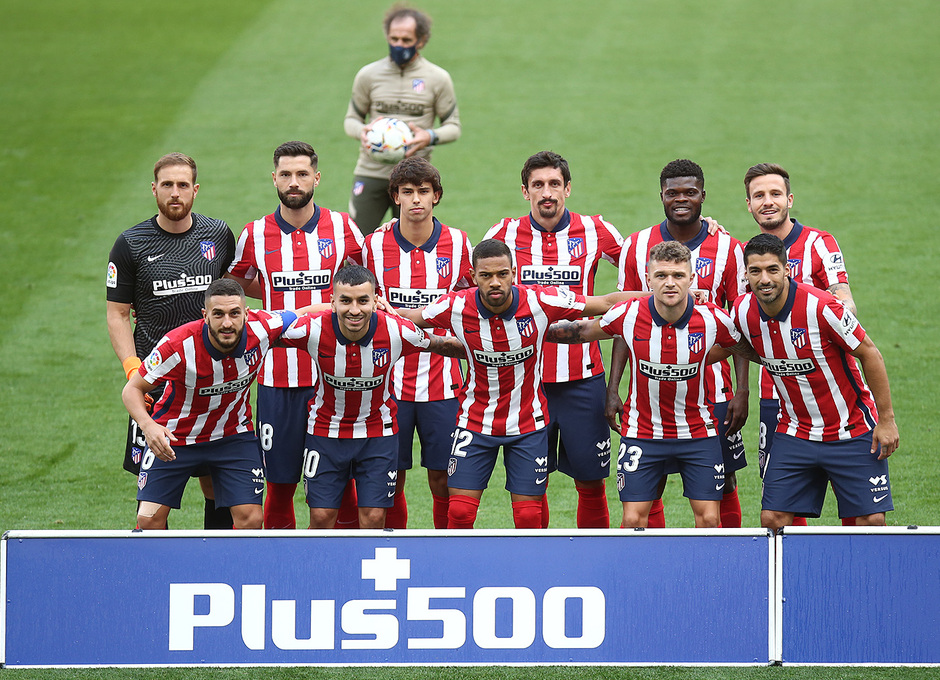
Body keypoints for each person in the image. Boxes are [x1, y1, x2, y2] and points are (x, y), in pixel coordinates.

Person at [397, 239, 640, 529]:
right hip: (475, 423)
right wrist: (366, 310)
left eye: (502, 274)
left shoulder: (541, 300)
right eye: (486, 276)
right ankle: (458, 574)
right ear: (473, 277)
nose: (495, 282)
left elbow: (607, 302)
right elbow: (409, 319)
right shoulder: (455, 306)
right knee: (460, 512)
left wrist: (663, 296)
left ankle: (534, 574)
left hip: (528, 425)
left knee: (528, 516)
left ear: (515, 272)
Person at [547, 241, 743, 528]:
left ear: (692, 278)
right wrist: (531, 330)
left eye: (678, 275)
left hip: (698, 433)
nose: (670, 283)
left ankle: (705, 574)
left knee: (710, 520)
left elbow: (744, 344)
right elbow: (583, 330)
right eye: (661, 276)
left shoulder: (713, 319)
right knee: (632, 520)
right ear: (648, 280)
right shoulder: (628, 313)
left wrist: (732, 379)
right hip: (643, 433)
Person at [716, 234, 898, 532]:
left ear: (787, 269)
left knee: (870, 523)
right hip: (795, 433)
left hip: (851, 430)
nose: (764, 279)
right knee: (772, 520)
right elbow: (726, 345)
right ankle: (790, 580)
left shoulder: (823, 307)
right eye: (755, 271)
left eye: (772, 270)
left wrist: (887, 420)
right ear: (745, 274)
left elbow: (870, 354)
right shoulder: (741, 310)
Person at [226, 141, 365, 529]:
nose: (294, 181)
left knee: (342, 485)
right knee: (280, 484)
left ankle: (346, 568)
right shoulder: (253, 234)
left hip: (337, 379)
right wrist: (275, 298)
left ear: (316, 178)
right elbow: (235, 289)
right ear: (274, 178)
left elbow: (369, 285)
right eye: (285, 174)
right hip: (278, 379)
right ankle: (280, 571)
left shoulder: (343, 228)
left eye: (302, 174)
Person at [483, 151, 624, 529]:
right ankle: (539, 563)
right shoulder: (503, 234)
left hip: (583, 378)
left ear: (568, 188)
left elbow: (645, 269)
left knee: (591, 483)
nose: (547, 193)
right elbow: (472, 289)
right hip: (526, 382)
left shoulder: (597, 231)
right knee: (532, 486)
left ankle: (591, 561)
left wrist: (708, 230)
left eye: (554, 184)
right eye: (538, 185)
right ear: (525, 192)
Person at [610, 159, 749, 528]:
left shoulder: (730, 249)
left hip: (713, 394)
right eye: (673, 193)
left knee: (724, 483)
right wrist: (614, 387)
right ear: (661, 196)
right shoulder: (636, 246)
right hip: (648, 397)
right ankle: (650, 565)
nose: (681, 199)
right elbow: (626, 321)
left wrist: (741, 390)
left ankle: (727, 561)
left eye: (690, 192)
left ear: (703, 195)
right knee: (645, 488)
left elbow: (738, 327)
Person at [279, 265, 465, 529]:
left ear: (376, 300)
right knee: (321, 519)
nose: (354, 310)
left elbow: (440, 344)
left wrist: (487, 351)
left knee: (375, 518)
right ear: (332, 302)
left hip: (377, 434)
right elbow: (264, 333)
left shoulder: (398, 331)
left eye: (363, 301)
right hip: (325, 433)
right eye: (345, 301)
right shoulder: (310, 329)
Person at [106, 152, 236, 530]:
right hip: (157, 387)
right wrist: (135, 370)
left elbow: (234, 296)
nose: (175, 193)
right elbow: (117, 314)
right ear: (154, 189)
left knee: (217, 484)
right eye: (167, 185)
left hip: (213, 384)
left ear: (195, 190)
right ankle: (157, 579)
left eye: (183, 185)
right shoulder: (131, 243)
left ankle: (217, 566)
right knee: (154, 498)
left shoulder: (217, 234)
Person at [122, 279, 298, 530]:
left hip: (232, 436)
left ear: (246, 314)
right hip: (175, 437)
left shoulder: (263, 327)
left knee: (251, 519)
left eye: (234, 313)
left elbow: (303, 314)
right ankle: (166, 570)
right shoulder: (177, 345)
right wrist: (148, 426)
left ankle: (230, 569)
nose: (227, 322)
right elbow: (132, 389)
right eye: (218, 314)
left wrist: (349, 308)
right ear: (205, 315)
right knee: (148, 520)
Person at [361, 157, 472, 529]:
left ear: (436, 196)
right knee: (391, 479)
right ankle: (394, 548)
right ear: (395, 197)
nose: (416, 200)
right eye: (407, 192)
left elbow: (471, 301)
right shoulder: (373, 245)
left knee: (443, 478)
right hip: (388, 384)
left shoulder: (458, 243)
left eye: (423, 191)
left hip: (443, 383)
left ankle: (445, 552)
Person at [744, 162, 857, 526]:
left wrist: (821, 323)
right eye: (759, 195)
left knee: (853, 499)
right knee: (782, 501)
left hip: (829, 389)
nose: (768, 202)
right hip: (775, 393)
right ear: (749, 205)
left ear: (789, 199)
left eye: (775, 194)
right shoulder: (746, 254)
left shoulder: (819, 244)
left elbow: (844, 299)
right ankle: (791, 576)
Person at [343, 4, 461, 233]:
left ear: (422, 40)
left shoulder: (438, 78)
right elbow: (351, 120)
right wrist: (362, 131)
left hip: (416, 178)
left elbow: (453, 127)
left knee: (415, 245)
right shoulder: (368, 75)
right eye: (394, 38)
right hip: (371, 172)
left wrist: (429, 136)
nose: (399, 45)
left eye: (406, 40)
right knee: (355, 246)